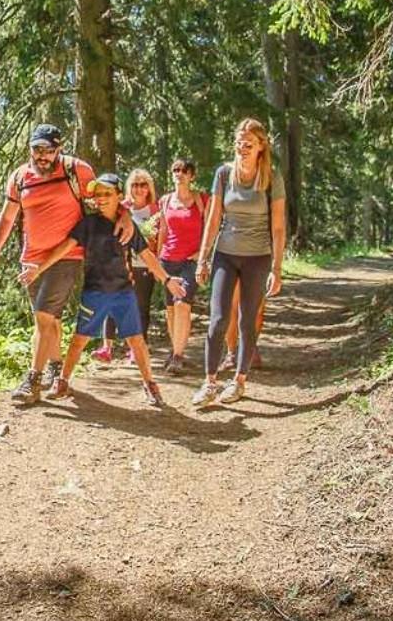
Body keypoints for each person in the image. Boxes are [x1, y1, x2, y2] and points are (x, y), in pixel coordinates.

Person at [0, 124, 128, 404]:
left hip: (66, 256)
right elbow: (8, 217)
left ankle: (32, 380)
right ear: (30, 149)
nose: (43, 156)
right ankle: (56, 370)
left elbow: (104, 199)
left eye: (49, 150)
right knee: (52, 318)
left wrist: (125, 215)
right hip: (31, 259)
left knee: (43, 317)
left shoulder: (77, 171)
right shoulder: (20, 177)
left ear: (59, 149)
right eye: (38, 150)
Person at [21, 174, 186, 408]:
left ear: (119, 196)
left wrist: (167, 279)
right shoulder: (88, 224)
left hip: (123, 293)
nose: (101, 199)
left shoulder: (127, 227)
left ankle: (150, 384)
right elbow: (65, 247)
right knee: (79, 340)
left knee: (136, 341)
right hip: (94, 293)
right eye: (97, 194)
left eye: (107, 194)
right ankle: (63, 381)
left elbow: (147, 256)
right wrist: (39, 269)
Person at [192, 119, 287, 407]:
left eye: (249, 144)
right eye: (239, 143)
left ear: (261, 147)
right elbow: (213, 217)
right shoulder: (224, 174)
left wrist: (277, 268)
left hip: (258, 257)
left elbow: (279, 226)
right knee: (218, 318)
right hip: (226, 254)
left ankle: (239, 381)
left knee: (248, 320)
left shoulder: (271, 177)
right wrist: (203, 257)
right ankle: (209, 382)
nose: (242, 149)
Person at [93, 167, 160, 364]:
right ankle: (107, 348)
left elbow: (162, 236)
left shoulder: (155, 211)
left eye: (143, 185)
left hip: (143, 265)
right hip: (118, 263)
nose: (139, 189)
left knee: (140, 307)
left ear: (149, 188)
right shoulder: (121, 208)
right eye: (135, 185)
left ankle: (137, 349)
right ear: (129, 188)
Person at [153, 158, 208, 375]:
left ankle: (177, 356)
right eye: (176, 169)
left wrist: (203, 254)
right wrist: (156, 260)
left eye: (184, 170)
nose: (179, 173)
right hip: (168, 260)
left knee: (182, 304)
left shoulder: (202, 199)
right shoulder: (165, 201)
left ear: (192, 176)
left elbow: (211, 227)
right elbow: (163, 232)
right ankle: (176, 350)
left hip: (190, 261)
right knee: (170, 310)